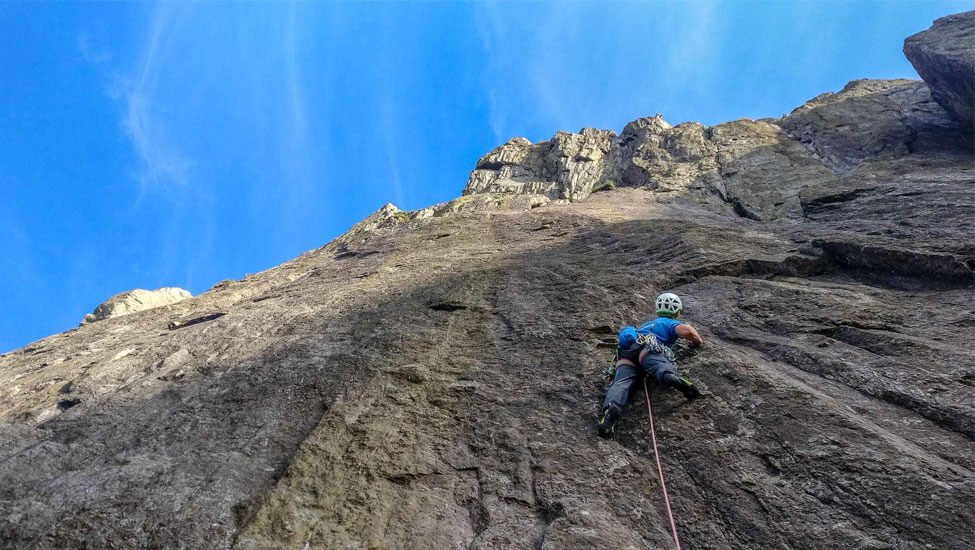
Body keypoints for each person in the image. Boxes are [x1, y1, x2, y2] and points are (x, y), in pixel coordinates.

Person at [597, 292, 703, 438]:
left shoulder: (644, 326)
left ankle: (611, 409)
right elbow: (688, 332)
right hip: (645, 350)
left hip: (625, 356)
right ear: (677, 312)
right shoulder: (667, 322)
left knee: (620, 384)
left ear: (658, 310)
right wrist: (697, 341)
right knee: (658, 363)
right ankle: (669, 376)